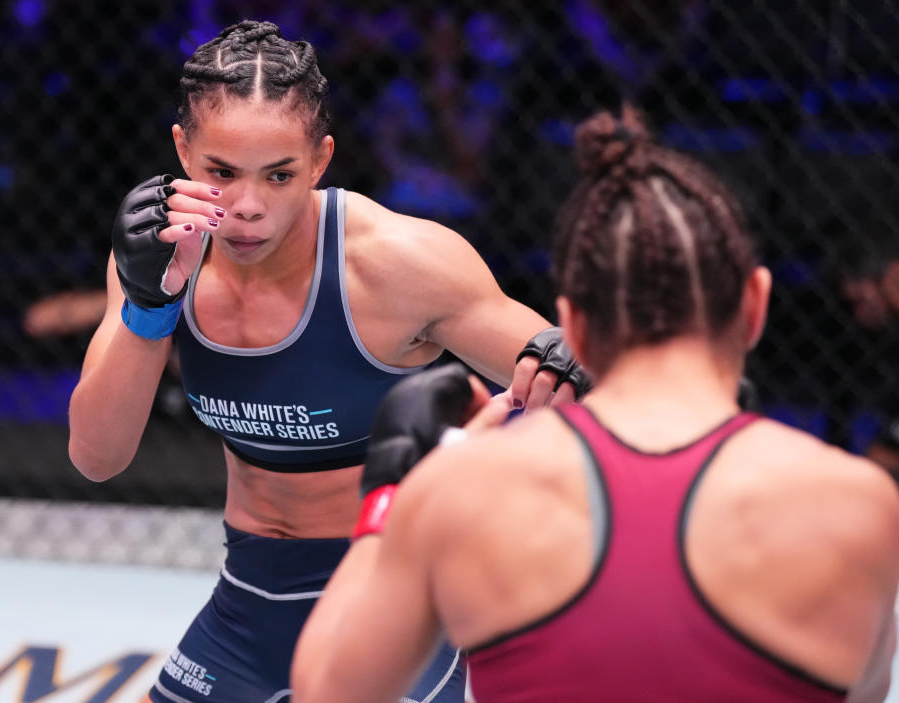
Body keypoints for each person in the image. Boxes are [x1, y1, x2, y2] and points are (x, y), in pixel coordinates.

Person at [291, 106, 899, 703]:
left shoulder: (464, 488)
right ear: (755, 306)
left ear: (571, 326)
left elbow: (327, 691)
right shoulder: (861, 505)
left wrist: (389, 498)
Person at [67, 19, 590, 703]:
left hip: (393, 599)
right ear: (182, 150)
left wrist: (578, 364)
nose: (248, 207)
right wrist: (147, 304)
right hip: (247, 603)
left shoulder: (398, 266)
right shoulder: (160, 254)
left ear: (319, 160)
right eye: (222, 172)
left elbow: (578, 377)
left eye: (279, 175)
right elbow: (97, 454)